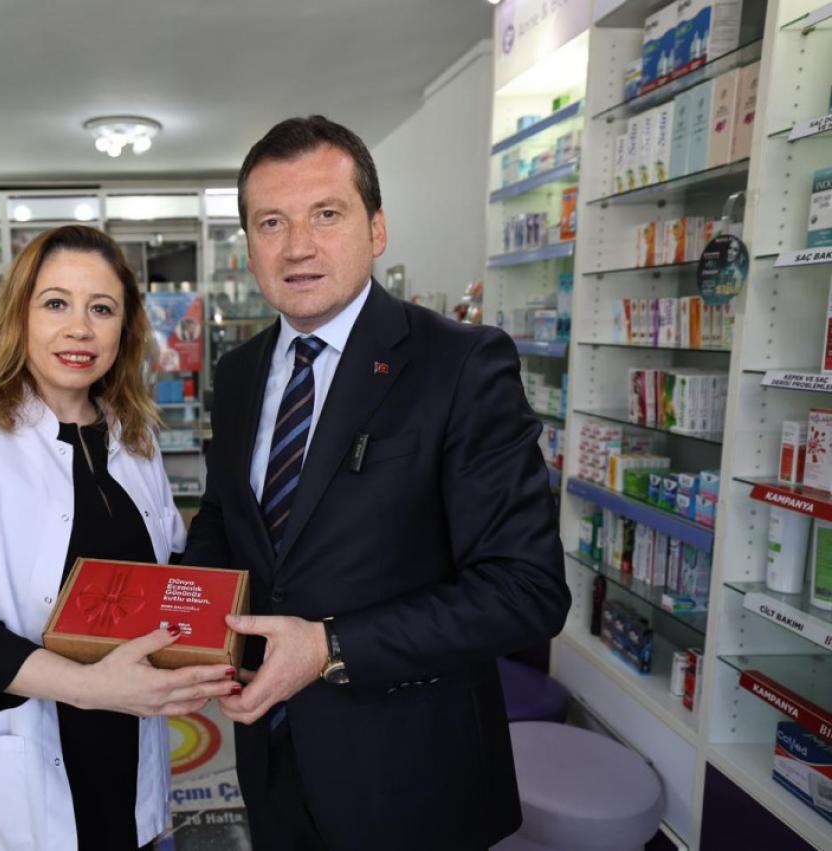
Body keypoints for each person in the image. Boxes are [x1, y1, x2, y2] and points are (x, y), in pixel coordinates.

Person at [182, 116, 570, 851]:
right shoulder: (237, 374)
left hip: (411, 773)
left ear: (377, 228)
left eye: (326, 214)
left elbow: (527, 589)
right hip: (271, 756)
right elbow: (227, 521)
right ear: (250, 245)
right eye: (272, 222)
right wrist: (186, 623)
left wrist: (329, 646)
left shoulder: (460, 364)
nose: (298, 246)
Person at [0, 226, 239, 851]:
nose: (80, 329)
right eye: (55, 303)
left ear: (124, 329)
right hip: (16, 766)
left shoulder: (134, 435)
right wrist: (93, 687)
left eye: (101, 309)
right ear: (19, 315)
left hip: (124, 748)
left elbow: (168, 575)